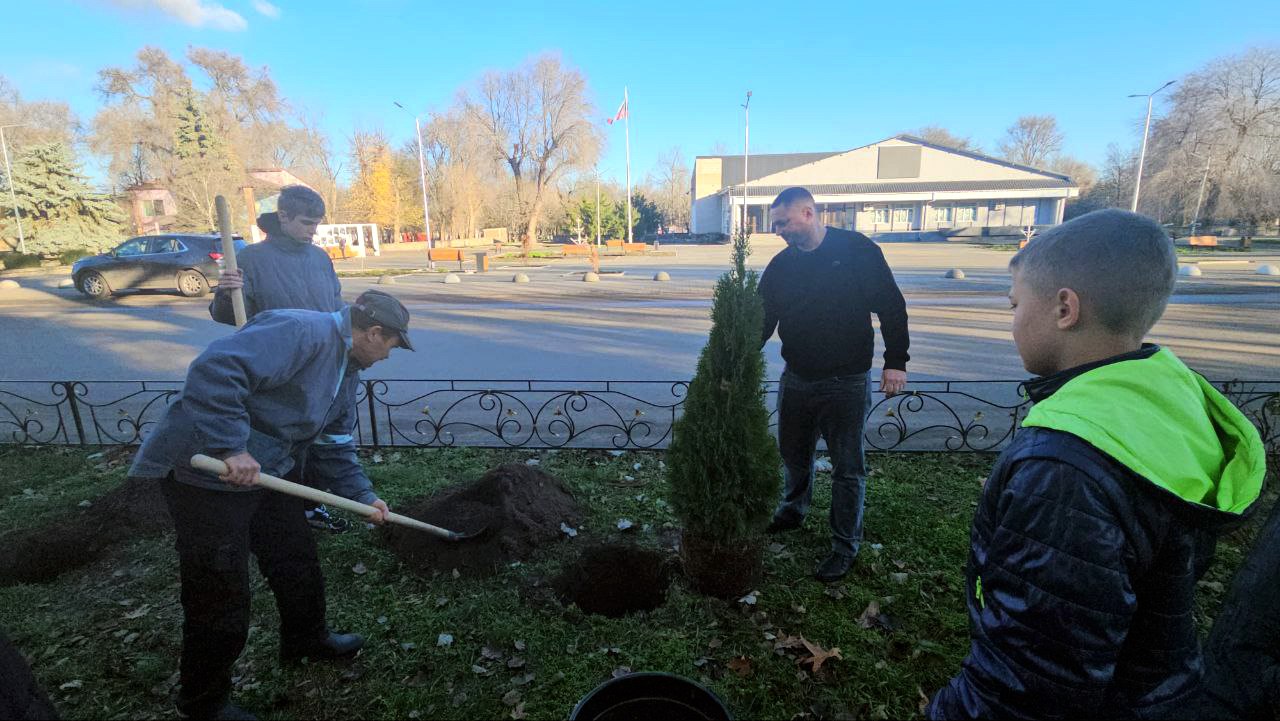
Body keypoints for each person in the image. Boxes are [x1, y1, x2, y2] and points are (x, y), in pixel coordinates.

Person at [927, 209, 1266, 719]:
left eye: (1016, 304)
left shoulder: (1065, 468)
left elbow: (1028, 686)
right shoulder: (1161, 405)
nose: (1012, 320)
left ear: (1065, 308)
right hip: (1154, 689)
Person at [129, 289, 416, 721]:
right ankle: (203, 703)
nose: (389, 356)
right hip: (205, 473)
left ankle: (306, 640)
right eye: (392, 346)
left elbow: (334, 442)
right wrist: (231, 447)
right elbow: (215, 371)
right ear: (374, 333)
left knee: (295, 559)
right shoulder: (301, 331)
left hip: (268, 472)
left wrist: (361, 495)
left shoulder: (347, 367)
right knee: (219, 588)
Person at [758, 186, 910, 582]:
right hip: (797, 379)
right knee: (793, 455)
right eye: (775, 225)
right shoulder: (780, 266)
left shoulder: (858, 251)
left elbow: (891, 307)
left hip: (846, 381)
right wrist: (737, 358)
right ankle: (793, 511)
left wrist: (896, 362)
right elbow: (761, 319)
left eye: (783, 222)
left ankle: (844, 545)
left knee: (847, 468)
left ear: (808, 213)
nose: (779, 231)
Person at [211, 185, 350, 534]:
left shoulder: (319, 258)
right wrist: (228, 294)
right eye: (306, 222)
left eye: (316, 223)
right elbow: (227, 315)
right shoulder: (251, 259)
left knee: (322, 441)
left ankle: (313, 505)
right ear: (283, 216)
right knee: (289, 445)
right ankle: (286, 512)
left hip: (323, 364)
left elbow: (335, 306)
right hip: (279, 368)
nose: (312, 230)